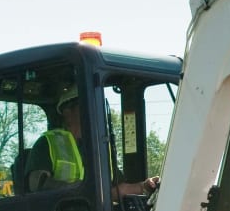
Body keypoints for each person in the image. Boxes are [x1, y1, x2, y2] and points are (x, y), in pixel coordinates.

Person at [26, 85, 158, 199]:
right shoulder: (47, 143)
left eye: (96, 106)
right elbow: (37, 184)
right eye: (86, 105)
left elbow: (114, 190)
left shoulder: (100, 147)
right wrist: (82, 188)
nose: (94, 111)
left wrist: (144, 186)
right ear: (67, 112)